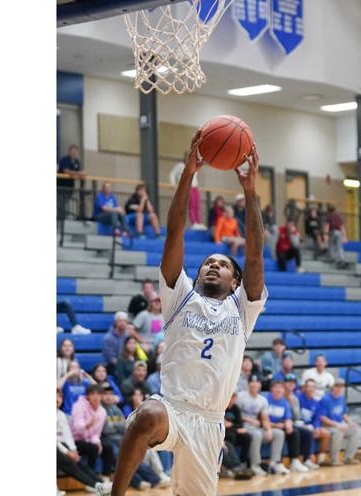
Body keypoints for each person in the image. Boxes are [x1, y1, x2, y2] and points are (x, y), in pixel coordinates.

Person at [110, 133, 267, 496]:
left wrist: (251, 192)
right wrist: (187, 174)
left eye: (222, 265)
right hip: (172, 409)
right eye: (208, 263)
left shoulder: (243, 308)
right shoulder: (180, 297)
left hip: (209, 423)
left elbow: (256, 256)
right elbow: (174, 235)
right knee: (147, 415)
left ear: (234, 281)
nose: (212, 266)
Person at [57, 388, 111, 494]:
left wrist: (73, 449)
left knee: (80, 460)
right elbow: (74, 430)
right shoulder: (79, 406)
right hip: (70, 441)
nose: (57, 399)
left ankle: (100, 482)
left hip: (66, 444)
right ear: (88, 396)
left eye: (59, 396)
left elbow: (67, 435)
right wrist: (67, 452)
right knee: (68, 461)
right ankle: (95, 485)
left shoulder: (61, 414)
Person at [122, 387, 173, 487]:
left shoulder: (146, 409)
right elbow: (126, 425)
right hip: (129, 439)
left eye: (140, 395)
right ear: (131, 397)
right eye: (135, 395)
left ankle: (162, 473)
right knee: (147, 449)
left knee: (158, 447)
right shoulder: (127, 408)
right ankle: (158, 475)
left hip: (145, 439)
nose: (137, 397)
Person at [235, 374, 284, 475]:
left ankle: (274, 463)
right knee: (257, 434)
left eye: (257, 382)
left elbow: (265, 419)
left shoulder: (262, 400)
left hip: (256, 427)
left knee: (278, 433)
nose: (255, 385)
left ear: (260, 385)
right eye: (252, 382)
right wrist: (249, 420)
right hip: (244, 426)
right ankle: (255, 465)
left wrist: (269, 430)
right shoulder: (240, 397)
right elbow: (235, 414)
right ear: (248, 384)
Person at [71, 383, 116, 478]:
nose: (96, 397)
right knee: (93, 448)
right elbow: (77, 428)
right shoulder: (79, 406)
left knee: (108, 447)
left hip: (89, 440)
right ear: (88, 396)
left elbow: (97, 433)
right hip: (75, 440)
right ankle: (91, 478)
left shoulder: (102, 411)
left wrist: (97, 442)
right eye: (93, 394)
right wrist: (87, 425)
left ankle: (105, 476)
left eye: (99, 394)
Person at [264, 379, 309, 473]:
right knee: (280, 434)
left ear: (283, 390)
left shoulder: (284, 402)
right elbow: (263, 419)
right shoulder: (266, 400)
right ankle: (278, 463)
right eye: (276, 387)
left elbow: (288, 417)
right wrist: (275, 425)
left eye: (280, 388)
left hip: (281, 425)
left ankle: (294, 461)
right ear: (271, 389)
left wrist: (288, 425)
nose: (278, 389)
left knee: (294, 432)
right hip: (268, 426)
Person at [317, 378, 360, 466]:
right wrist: (337, 425)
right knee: (338, 432)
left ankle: (348, 457)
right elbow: (322, 418)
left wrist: (350, 422)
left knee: (356, 430)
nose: (339, 388)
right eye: (337, 386)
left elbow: (343, 414)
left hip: (338, 424)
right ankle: (334, 459)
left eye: (341, 386)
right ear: (332, 387)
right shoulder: (325, 399)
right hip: (326, 426)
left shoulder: (342, 398)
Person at [283, 373, 318, 470]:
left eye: (292, 383)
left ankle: (306, 460)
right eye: (288, 382)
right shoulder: (279, 395)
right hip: (281, 423)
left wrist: (292, 403)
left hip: (293, 423)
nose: (290, 384)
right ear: (284, 384)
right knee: (296, 432)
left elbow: (297, 416)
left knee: (307, 432)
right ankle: (294, 461)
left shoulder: (295, 398)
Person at [297, 378, 332, 465]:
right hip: (300, 425)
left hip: (311, 426)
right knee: (309, 431)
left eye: (313, 387)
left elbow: (317, 418)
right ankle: (309, 456)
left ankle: (321, 458)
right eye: (309, 386)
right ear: (304, 388)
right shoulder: (298, 399)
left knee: (326, 434)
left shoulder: (315, 402)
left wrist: (316, 427)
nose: (311, 389)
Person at [221, 392, 255, 479]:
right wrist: (235, 428)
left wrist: (232, 426)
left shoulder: (236, 408)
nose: (232, 400)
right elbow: (223, 425)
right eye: (231, 398)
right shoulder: (221, 408)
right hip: (224, 433)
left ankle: (241, 463)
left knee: (247, 437)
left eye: (234, 398)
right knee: (230, 437)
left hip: (232, 432)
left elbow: (240, 425)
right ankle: (233, 467)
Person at [169, 155, 205, 230]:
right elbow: (172, 174)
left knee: (197, 205)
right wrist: (172, 183)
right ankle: (194, 223)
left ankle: (199, 222)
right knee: (191, 205)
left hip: (195, 186)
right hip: (187, 186)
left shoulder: (194, 165)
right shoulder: (180, 165)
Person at [58, 144, 86, 219]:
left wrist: (82, 173)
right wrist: (79, 173)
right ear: (69, 151)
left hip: (70, 186)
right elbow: (66, 170)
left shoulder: (76, 161)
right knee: (60, 203)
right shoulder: (64, 160)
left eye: (76, 151)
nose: (74, 153)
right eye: (73, 151)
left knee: (65, 202)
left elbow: (79, 171)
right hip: (61, 186)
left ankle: (63, 218)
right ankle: (60, 219)